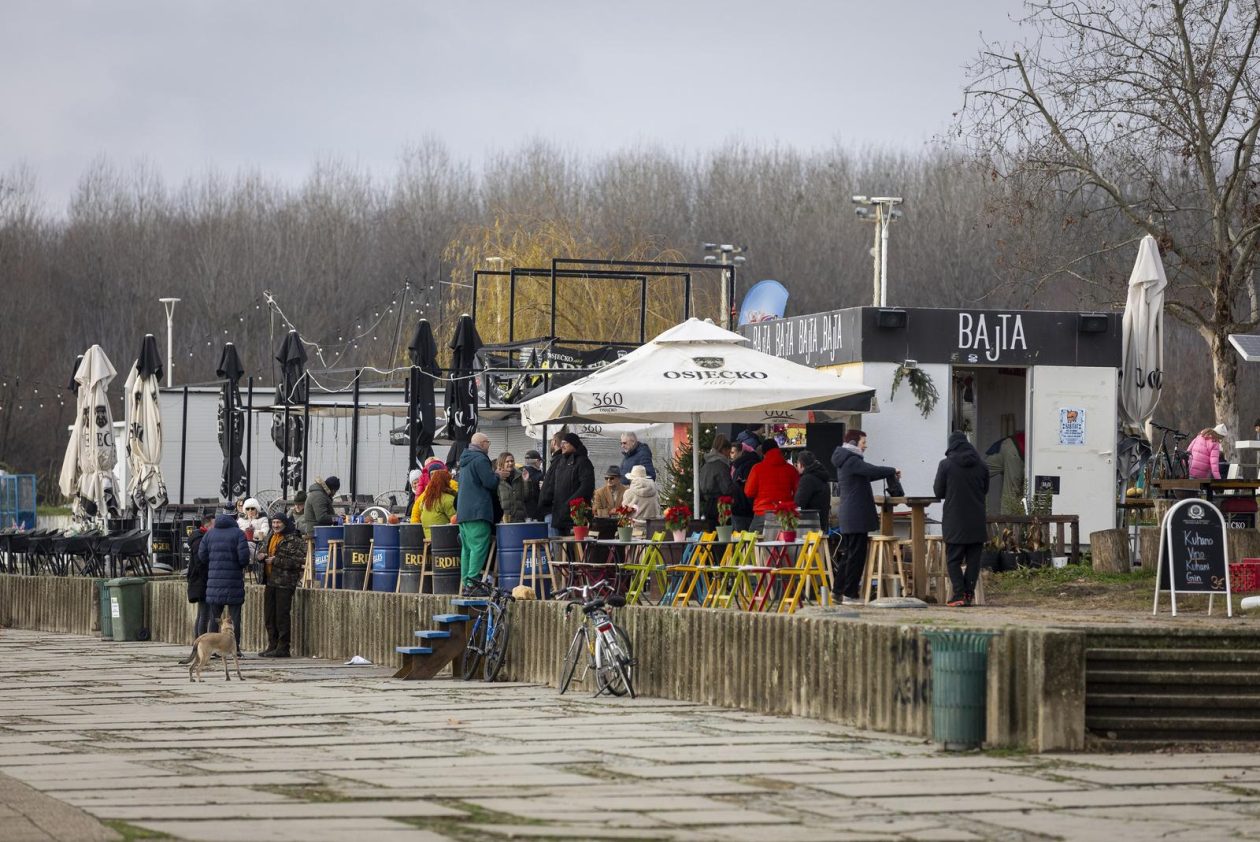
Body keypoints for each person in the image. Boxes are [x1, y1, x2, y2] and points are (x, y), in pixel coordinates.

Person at [832, 429, 899, 604]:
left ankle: (838, 591)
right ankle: (850, 593)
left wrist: (888, 472)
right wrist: (891, 470)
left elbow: (866, 475)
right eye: (863, 442)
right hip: (856, 516)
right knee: (856, 557)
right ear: (854, 443)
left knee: (849, 555)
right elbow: (871, 470)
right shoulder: (851, 460)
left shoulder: (845, 459)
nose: (865, 446)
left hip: (850, 515)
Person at [933, 431, 990, 607]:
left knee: (953, 560)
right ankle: (968, 594)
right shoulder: (982, 466)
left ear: (951, 445)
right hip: (977, 519)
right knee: (973, 561)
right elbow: (985, 490)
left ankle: (958, 594)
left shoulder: (946, 465)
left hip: (955, 519)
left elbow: (938, 492)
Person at [198, 508, 251, 655]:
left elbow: (202, 556)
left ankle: (212, 649)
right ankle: (235, 649)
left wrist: (213, 564)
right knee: (235, 619)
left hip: (214, 584)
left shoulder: (209, 534)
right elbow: (244, 558)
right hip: (234, 583)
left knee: (214, 618)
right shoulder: (239, 534)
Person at [257, 513, 305, 656]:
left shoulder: (295, 539)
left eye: (278, 523)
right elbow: (262, 550)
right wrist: (261, 556)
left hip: (285, 583)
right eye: (274, 522)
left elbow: (298, 562)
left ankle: (283, 647)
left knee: (282, 616)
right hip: (270, 581)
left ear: (285, 523)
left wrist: (275, 561)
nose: (275, 525)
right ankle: (272, 645)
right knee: (269, 615)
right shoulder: (270, 536)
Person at [457, 432, 499, 588]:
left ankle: (466, 583)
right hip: (477, 512)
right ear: (482, 444)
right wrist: (497, 475)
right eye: (488, 442)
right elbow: (490, 482)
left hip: (463, 513)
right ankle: (473, 583)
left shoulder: (465, 461)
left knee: (467, 549)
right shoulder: (480, 459)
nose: (489, 446)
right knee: (478, 547)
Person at [539, 432, 595, 536]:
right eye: (562, 443)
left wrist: (569, 503)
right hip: (559, 515)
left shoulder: (583, 462)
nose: (562, 446)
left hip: (575, 516)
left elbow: (586, 487)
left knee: (574, 545)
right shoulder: (561, 462)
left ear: (573, 444)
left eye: (565, 443)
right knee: (558, 545)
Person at [177, 513, 215, 665]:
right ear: (207, 525)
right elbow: (201, 562)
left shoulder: (199, 537)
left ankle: (199, 643)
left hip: (199, 581)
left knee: (202, 613)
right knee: (204, 614)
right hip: (201, 582)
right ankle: (202, 645)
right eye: (214, 525)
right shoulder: (200, 539)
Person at [743, 440, 800, 531]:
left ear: (763, 453)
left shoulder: (757, 468)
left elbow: (749, 492)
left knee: (753, 539)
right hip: (784, 515)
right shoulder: (791, 469)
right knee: (785, 538)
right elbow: (798, 492)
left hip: (762, 514)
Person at [698, 434, 737, 526]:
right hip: (720, 505)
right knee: (723, 532)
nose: (729, 456)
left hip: (707, 505)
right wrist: (737, 487)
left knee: (711, 531)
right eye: (728, 452)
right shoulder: (721, 466)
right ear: (723, 450)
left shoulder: (706, 464)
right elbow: (726, 488)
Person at [984, 433, 1025, 514]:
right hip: (1016, 450)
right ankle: (1006, 521)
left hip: (1007, 443)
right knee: (1011, 492)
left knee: (978, 471)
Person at [411, 468, 456, 540]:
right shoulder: (447, 499)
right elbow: (455, 519)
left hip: (428, 538)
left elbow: (417, 510)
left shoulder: (425, 498)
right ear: (446, 482)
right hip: (445, 539)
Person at [793, 450, 832, 530]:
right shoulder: (822, 477)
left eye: (797, 464)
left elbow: (799, 503)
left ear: (801, 465)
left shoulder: (807, 479)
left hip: (809, 527)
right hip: (822, 524)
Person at [729, 441, 762, 531]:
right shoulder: (737, 465)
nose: (731, 456)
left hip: (744, 508)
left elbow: (748, 487)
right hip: (740, 507)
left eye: (733, 452)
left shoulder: (747, 465)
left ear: (741, 452)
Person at [496, 452, 527, 522]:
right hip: (503, 519)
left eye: (512, 461)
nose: (510, 463)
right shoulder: (496, 478)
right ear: (501, 463)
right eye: (507, 461)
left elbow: (526, 496)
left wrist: (526, 481)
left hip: (519, 518)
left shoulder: (520, 476)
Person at [521, 450, 544, 521]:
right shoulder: (539, 475)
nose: (540, 463)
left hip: (521, 511)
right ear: (537, 461)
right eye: (540, 461)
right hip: (535, 511)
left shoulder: (519, 472)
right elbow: (541, 495)